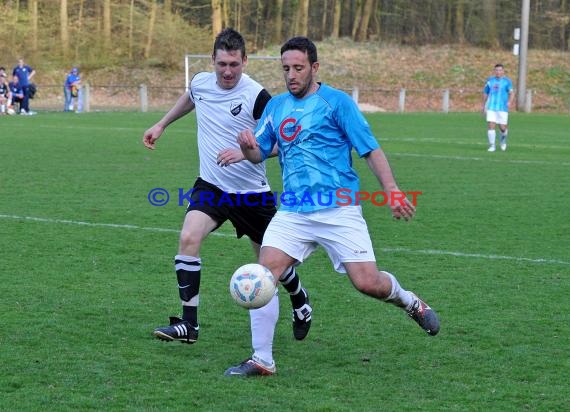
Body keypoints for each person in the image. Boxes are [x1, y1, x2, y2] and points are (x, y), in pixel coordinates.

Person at [229, 36, 440, 377]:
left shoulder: (336, 103)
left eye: (298, 68)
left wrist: (392, 190)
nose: (291, 75)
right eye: (286, 69)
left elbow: (369, 149)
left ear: (314, 67)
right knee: (263, 275)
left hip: (338, 208)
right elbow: (260, 153)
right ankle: (262, 359)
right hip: (294, 212)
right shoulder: (276, 106)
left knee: (367, 283)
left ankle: (409, 301)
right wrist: (249, 146)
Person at [142, 28, 313, 365]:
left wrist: (246, 152)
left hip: (251, 194)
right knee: (188, 237)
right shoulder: (202, 82)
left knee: (269, 267)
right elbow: (191, 97)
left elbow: (282, 143)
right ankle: (189, 325)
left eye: (234, 64)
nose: (228, 71)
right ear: (213, 61)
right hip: (212, 187)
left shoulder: (257, 96)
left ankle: (300, 298)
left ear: (245, 61)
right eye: (222, 64)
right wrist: (161, 125)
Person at [482, 63, 515, 152]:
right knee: (491, 126)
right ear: (494, 71)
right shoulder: (490, 80)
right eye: (496, 70)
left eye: (500, 70)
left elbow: (511, 93)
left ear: (503, 71)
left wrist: (510, 102)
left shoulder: (507, 81)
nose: (498, 72)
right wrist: (483, 105)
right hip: (491, 107)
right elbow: (485, 93)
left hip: (502, 108)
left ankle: (503, 140)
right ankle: (492, 146)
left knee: (502, 127)